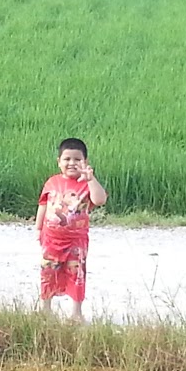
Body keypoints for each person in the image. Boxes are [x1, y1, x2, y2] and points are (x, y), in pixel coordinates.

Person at [36, 137, 107, 322]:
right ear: (59, 162)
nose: (72, 163)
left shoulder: (87, 184)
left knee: (77, 274)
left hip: (76, 241)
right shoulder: (52, 182)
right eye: (67, 159)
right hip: (51, 239)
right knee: (48, 272)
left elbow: (100, 200)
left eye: (77, 159)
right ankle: (45, 309)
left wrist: (91, 179)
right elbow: (43, 205)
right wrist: (38, 229)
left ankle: (76, 313)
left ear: (85, 162)